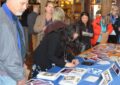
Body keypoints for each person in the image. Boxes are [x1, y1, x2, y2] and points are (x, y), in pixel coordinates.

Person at [31, 7, 79, 78]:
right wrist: (65, 64)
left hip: (50, 57)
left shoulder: (63, 33)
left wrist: (72, 58)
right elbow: (50, 55)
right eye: (72, 38)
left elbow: (65, 49)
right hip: (41, 59)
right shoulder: (55, 35)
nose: (71, 40)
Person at [0, 0, 28, 85]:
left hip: (14, 71)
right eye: (22, 3)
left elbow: (17, 46)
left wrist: (22, 63)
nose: (25, 7)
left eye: (27, 4)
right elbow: (7, 57)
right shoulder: (3, 21)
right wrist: (19, 77)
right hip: (8, 75)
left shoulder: (13, 17)